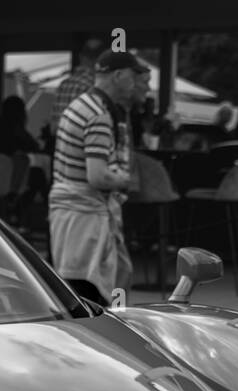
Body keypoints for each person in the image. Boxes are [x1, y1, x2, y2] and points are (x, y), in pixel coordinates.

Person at [48, 50, 149, 306]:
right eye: (134, 76)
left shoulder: (83, 105)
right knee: (88, 300)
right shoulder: (99, 115)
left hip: (72, 217)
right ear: (118, 76)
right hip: (84, 219)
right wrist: (124, 180)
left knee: (76, 293)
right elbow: (98, 177)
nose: (137, 82)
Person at [51, 37, 106, 136]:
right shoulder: (94, 87)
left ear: (81, 57)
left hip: (62, 147)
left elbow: (54, 128)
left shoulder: (64, 85)